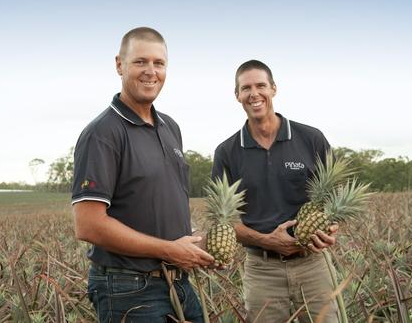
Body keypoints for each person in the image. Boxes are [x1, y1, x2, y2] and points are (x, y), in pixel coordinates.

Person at [72, 27, 214, 323]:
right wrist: (168, 249)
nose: (151, 71)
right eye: (140, 62)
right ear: (119, 65)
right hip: (129, 288)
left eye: (158, 63)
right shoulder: (103, 133)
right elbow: (88, 225)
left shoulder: (170, 127)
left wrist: (195, 246)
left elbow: (161, 203)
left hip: (177, 281)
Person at [212, 59, 340, 323]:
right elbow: (224, 222)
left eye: (261, 85)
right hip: (262, 268)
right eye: (246, 88)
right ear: (237, 96)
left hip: (313, 264)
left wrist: (331, 228)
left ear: (274, 89)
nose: (254, 94)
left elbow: (333, 201)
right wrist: (267, 240)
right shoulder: (227, 152)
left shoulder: (311, 138)